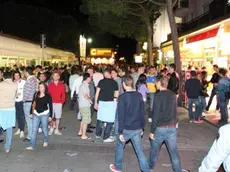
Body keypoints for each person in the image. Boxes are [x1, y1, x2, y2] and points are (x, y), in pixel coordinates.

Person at [109, 75, 149, 172]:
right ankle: (146, 169)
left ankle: (118, 167)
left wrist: (120, 131)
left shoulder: (122, 97)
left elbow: (120, 116)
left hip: (126, 129)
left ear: (123, 85)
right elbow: (142, 113)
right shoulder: (139, 95)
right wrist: (142, 127)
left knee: (119, 147)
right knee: (139, 151)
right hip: (137, 128)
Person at [149, 76, 182, 172]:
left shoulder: (158, 96)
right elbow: (175, 111)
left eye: (156, 83)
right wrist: (175, 123)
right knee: (173, 152)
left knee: (154, 150)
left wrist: (152, 131)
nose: (155, 85)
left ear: (159, 83)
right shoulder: (172, 95)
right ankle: (177, 169)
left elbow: (156, 114)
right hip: (172, 126)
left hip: (160, 127)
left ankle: (150, 166)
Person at [26, 82, 53, 151]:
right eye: (39, 87)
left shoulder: (48, 95)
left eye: (42, 87)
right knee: (34, 130)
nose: (40, 88)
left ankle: (46, 140)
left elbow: (50, 106)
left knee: (44, 129)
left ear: (45, 88)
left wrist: (50, 116)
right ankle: (32, 145)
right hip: (36, 114)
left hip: (44, 114)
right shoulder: (36, 94)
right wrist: (31, 113)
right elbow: (33, 104)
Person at [94, 68, 119, 143]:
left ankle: (97, 134)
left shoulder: (101, 82)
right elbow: (116, 94)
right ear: (110, 74)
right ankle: (106, 136)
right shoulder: (114, 82)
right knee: (110, 120)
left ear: (104, 75)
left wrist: (95, 102)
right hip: (110, 102)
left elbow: (97, 93)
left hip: (101, 102)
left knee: (100, 118)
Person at [0, 71, 17, 153]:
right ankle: (7, 147)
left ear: (3, 77)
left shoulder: (1, 84)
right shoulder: (15, 85)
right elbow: (16, 95)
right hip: (11, 108)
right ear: (11, 77)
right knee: (9, 128)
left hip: (1, 108)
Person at [23, 66, 38, 142]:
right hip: (32, 102)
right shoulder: (35, 79)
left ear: (26, 72)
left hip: (28, 102)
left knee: (29, 120)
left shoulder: (30, 81)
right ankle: (33, 135)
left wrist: (23, 100)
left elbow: (27, 93)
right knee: (32, 119)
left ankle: (30, 136)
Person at [78, 73, 93, 140]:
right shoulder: (84, 85)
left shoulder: (83, 84)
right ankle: (83, 135)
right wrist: (90, 100)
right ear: (87, 78)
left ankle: (80, 132)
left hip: (82, 104)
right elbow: (85, 94)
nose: (91, 78)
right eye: (90, 77)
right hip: (85, 104)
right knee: (86, 119)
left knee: (83, 119)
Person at [14, 71, 26, 138]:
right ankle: (19, 128)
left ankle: (22, 130)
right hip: (15, 101)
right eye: (15, 75)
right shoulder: (12, 83)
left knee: (21, 116)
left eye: (18, 75)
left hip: (21, 101)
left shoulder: (24, 82)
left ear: (20, 76)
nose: (17, 77)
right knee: (17, 116)